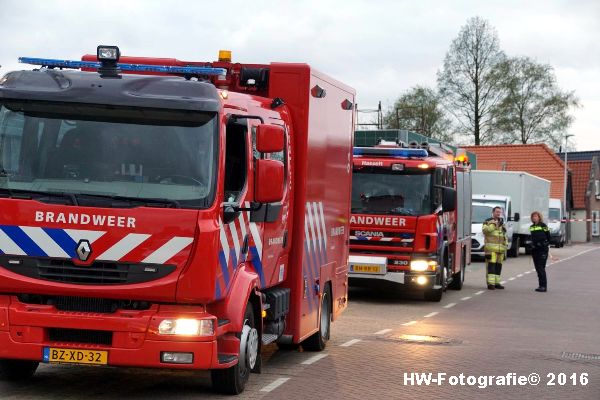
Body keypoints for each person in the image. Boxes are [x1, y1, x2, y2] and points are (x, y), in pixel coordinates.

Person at [482, 206, 508, 290]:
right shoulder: (487, 221)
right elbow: (485, 231)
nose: (498, 213)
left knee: (498, 267)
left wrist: (505, 245)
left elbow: (504, 235)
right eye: (497, 212)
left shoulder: (502, 222)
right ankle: (490, 284)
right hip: (491, 250)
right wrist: (494, 225)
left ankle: (497, 283)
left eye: (499, 212)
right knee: (491, 267)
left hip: (500, 250)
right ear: (493, 212)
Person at [530, 211, 551, 292]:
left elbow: (549, 236)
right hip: (535, 250)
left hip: (542, 250)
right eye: (533, 217)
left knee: (541, 267)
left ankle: (543, 286)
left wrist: (544, 244)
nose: (534, 218)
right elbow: (533, 237)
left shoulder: (543, 225)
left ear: (539, 217)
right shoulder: (531, 227)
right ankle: (540, 285)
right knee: (537, 268)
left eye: (535, 216)